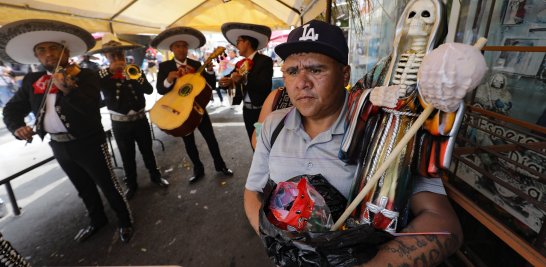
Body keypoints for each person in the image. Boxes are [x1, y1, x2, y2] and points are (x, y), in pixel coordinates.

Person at [244, 20, 463, 266]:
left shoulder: (390, 131)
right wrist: (278, 245)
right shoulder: (273, 125)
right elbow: (253, 191)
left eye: (316, 70)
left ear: (345, 74)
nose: (302, 82)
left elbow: (445, 224)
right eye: (292, 71)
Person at [1, 19, 133, 243]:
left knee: (108, 185)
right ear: (37, 57)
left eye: (54, 48)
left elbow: (91, 108)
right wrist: (17, 127)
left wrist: (69, 90)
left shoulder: (85, 75)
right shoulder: (33, 80)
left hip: (90, 142)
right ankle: (97, 220)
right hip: (59, 145)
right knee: (83, 188)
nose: (48, 54)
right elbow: (12, 109)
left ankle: (125, 221)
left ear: (66, 51)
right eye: (42, 50)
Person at [89, 33, 169, 200]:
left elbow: (148, 90)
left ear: (125, 54)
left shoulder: (135, 70)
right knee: (127, 156)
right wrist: (111, 71)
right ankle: (131, 185)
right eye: (113, 55)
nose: (118, 58)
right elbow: (94, 87)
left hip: (140, 120)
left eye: (120, 54)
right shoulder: (100, 75)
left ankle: (155, 176)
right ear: (106, 56)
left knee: (148, 151)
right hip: (120, 124)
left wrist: (136, 76)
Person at [151, 26, 233, 182]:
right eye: (178, 46)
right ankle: (198, 170)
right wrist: (169, 79)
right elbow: (161, 90)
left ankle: (220, 165)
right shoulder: (165, 67)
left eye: (184, 46)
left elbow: (210, 86)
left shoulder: (196, 65)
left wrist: (209, 71)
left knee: (211, 139)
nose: (181, 49)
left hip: (197, 109)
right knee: (189, 143)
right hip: (178, 110)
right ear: (171, 48)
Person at [218, 23, 274, 144]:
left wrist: (245, 80)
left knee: (265, 145)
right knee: (253, 143)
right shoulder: (240, 63)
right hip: (247, 110)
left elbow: (265, 86)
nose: (236, 45)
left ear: (247, 43)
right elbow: (230, 78)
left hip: (262, 110)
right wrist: (224, 82)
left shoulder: (265, 61)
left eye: (238, 42)